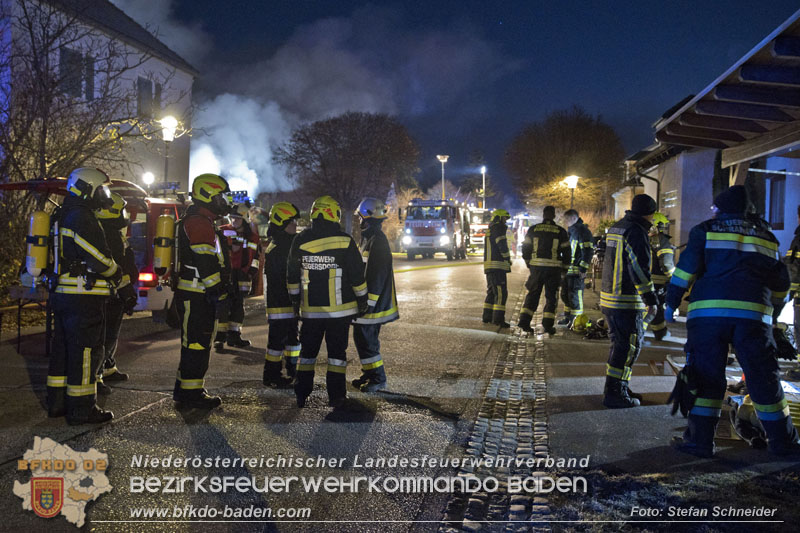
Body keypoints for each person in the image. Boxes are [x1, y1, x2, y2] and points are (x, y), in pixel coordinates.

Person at [666, 186, 797, 457]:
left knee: (707, 377)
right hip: (753, 319)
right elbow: (781, 283)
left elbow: (684, 271)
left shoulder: (705, 230)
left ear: (720, 208)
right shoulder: (767, 237)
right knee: (763, 379)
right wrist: (773, 312)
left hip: (708, 316)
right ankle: (783, 443)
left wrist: (670, 303)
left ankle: (699, 442)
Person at [47, 168, 120, 425]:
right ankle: (82, 408)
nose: (105, 195)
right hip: (83, 295)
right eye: (103, 189)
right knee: (86, 351)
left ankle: (57, 403)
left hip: (63, 293)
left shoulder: (62, 213)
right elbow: (99, 258)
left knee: (63, 349)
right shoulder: (82, 216)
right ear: (87, 188)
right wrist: (117, 273)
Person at [287, 196, 368, 407]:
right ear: (335, 215)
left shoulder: (300, 240)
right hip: (339, 314)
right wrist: (362, 301)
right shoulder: (345, 241)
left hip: (311, 312)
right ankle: (337, 396)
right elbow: (357, 275)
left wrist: (295, 302)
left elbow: (292, 274)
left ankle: (301, 392)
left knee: (307, 354)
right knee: (336, 356)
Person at [173, 173, 233, 409]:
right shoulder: (199, 223)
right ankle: (190, 395)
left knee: (195, 343)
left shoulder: (202, 221)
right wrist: (220, 291)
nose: (225, 201)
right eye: (221, 196)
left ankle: (188, 389)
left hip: (196, 294)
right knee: (196, 344)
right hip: (197, 295)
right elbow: (206, 263)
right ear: (208, 195)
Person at [600, 194, 658, 409]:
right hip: (626, 301)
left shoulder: (618, 227)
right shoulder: (637, 231)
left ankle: (617, 386)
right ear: (650, 214)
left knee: (620, 347)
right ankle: (615, 394)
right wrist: (650, 298)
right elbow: (638, 268)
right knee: (628, 348)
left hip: (610, 298)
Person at [352, 198, 400, 392]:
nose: (359, 221)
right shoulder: (370, 238)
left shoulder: (377, 241)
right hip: (369, 302)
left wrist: (368, 303)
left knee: (367, 340)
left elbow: (376, 276)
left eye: (361, 217)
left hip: (373, 305)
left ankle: (378, 378)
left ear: (367, 218)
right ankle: (370, 373)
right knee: (362, 338)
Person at [95, 192, 139, 391]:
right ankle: (97, 375)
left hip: (117, 291)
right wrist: (126, 291)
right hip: (109, 293)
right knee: (105, 335)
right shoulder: (105, 233)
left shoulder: (112, 231)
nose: (124, 214)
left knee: (111, 333)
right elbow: (115, 266)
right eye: (121, 210)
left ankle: (108, 367)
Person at [263, 201, 301, 388]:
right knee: (277, 342)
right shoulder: (280, 248)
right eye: (292, 222)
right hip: (281, 303)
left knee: (292, 338)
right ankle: (272, 375)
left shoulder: (283, 243)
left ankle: (292, 370)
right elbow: (287, 276)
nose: (295, 225)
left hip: (285, 303)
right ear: (281, 222)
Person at [213, 204, 260, 350]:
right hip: (226, 274)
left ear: (244, 219)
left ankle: (234, 336)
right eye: (232, 217)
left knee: (238, 306)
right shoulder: (223, 231)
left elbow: (256, 255)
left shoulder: (251, 235)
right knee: (223, 305)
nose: (234, 220)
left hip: (242, 275)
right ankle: (219, 338)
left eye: (238, 218)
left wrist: (251, 271)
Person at [518, 206, 570, 335]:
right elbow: (567, 252)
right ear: (553, 216)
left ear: (543, 215)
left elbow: (525, 248)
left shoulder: (533, 229)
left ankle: (524, 322)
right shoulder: (560, 231)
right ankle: (547, 325)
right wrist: (564, 269)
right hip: (553, 270)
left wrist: (529, 263)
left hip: (536, 269)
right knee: (551, 297)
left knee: (532, 294)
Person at [559, 209, 594, 328]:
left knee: (574, 297)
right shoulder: (572, 230)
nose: (565, 222)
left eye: (567, 219)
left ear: (574, 218)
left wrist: (583, 269)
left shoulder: (582, 231)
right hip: (568, 270)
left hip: (576, 271)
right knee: (565, 295)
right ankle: (568, 317)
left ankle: (576, 321)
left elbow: (588, 250)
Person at [647, 212, 675, 340]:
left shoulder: (646, 238)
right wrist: (673, 277)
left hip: (644, 280)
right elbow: (666, 263)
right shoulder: (662, 240)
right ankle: (660, 333)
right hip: (658, 282)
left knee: (649, 307)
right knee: (658, 308)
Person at [483, 209, 512, 328]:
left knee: (492, 292)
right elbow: (502, 246)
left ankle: (487, 317)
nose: (506, 221)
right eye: (504, 218)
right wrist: (507, 258)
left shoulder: (491, 229)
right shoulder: (499, 228)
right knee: (501, 293)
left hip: (489, 266)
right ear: (499, 218)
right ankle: (498, 319)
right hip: (497, 266)